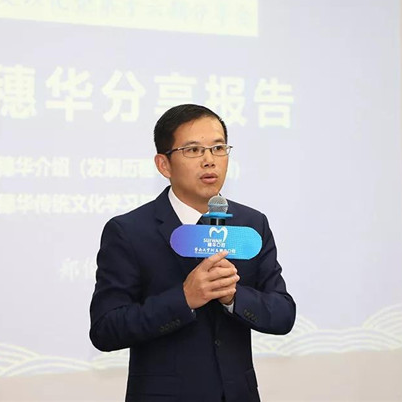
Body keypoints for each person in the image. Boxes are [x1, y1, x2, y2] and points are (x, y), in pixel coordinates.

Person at [89, 104, 295, 402]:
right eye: (194, 150)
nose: (209, 160)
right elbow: (106, 329)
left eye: (218, 148)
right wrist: (183, 299)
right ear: (164, 165)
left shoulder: (251, 224)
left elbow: (283, 313)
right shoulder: (130, 231)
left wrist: (234, 298)